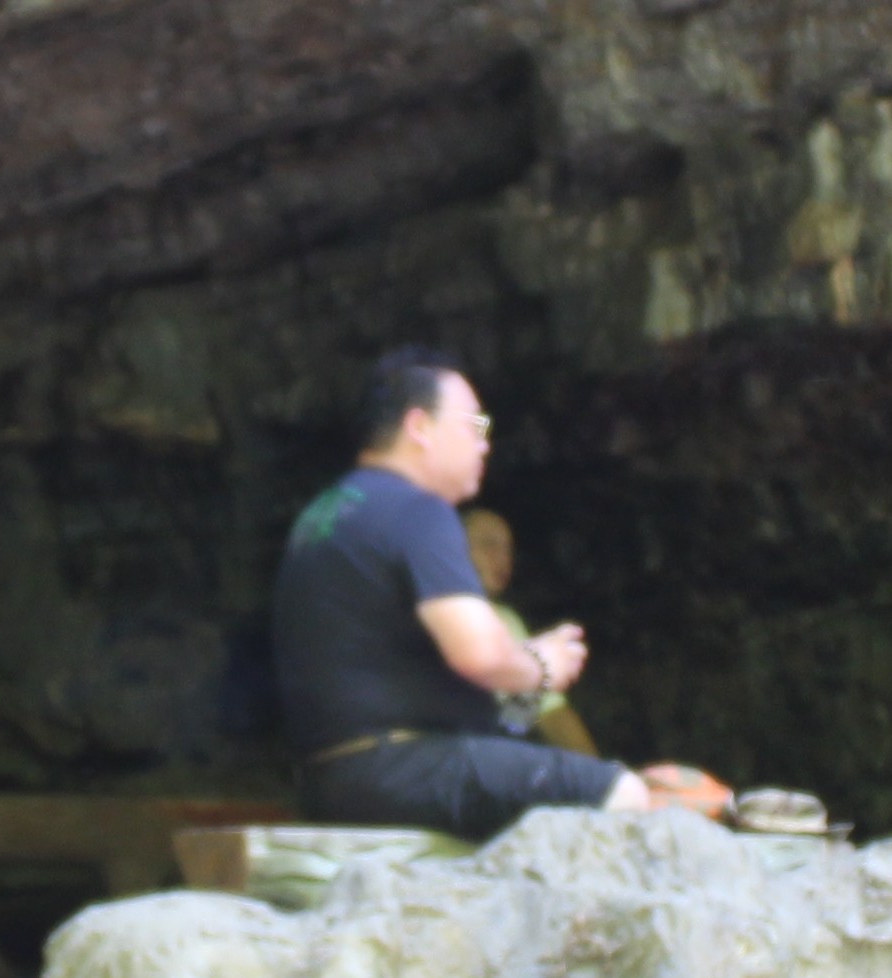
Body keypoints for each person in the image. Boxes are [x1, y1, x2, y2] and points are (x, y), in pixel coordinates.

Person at [277, 350, 713, 836]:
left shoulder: (322, 515)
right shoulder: (417, 510)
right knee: (624, 795)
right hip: (404, 769)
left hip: (329, 777)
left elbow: (486, 714)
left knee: (571, 780)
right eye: (473, 427)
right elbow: (480, 656)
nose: (485, 445)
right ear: (420, 426)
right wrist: (541, 665)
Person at [459, 507, 605, 757]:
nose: (502, 558)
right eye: (489, 544)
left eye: (508, 549)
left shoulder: (506, 620)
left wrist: (599, 776)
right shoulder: (429, 614)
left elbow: (534, 716)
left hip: (487, 756)